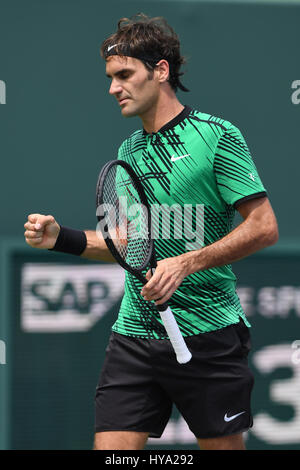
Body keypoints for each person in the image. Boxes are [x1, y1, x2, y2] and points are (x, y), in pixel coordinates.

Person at [24, 14, 278, 450]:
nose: (112, 88)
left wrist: (186, 263)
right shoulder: (128, 152)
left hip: (208, 334)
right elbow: (127, 246)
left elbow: (264, 227)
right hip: (134, 336)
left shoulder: (218, 137)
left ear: (160, 70)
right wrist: (59, 238)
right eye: (109, 77)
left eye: (124, 74)